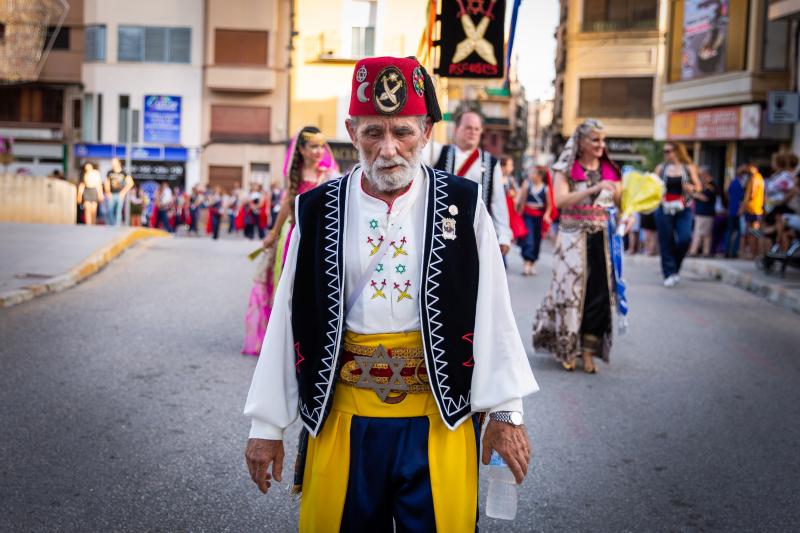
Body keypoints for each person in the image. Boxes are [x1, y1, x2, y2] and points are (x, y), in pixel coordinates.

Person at [244, 56, 538, 531]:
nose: (388, 149)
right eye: (372, 133)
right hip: (342, 421)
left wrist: (505, 411)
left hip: (441, 419)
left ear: (425, 130)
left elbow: (493, 312)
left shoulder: (464, 206)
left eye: (402, 131)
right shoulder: (316, 210)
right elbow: (289, 317)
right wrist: (267, 425)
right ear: (351, 129)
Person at [533, 119, 631, 373]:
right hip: (571, 238)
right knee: (569, 292)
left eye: (603, 140)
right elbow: (562, 201)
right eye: (595, 140)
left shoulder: (610, 169)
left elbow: (617, 204)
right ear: (581, 142)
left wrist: (627, 213)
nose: (601, 145)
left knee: (598, 294)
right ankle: (567, 347)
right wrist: (595, 188)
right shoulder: (565, 169)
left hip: (601, 239)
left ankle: (588, 351)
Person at [241, 126, 337, 357]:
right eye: (313, 146)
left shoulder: (329, 174)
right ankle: (285, 338)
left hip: (320, 238)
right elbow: (286, 204)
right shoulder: (295, 176)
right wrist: (273, 233)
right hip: (295, 236)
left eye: (321, 146)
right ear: (301, 150)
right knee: (289, 286)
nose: (318, 151)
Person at [428, 108, 512, 256]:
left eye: (476, 129)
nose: (472, 132)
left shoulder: (491, 163)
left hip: (476, 232)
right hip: (441, 231)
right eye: (468, 127)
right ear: (456, 129)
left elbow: (498, 202)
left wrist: (503, 234)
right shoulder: (438, 152)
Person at [654, 142, 701, 287]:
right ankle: (668, 273)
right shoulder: (661, 168)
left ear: (677, 151)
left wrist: (691, 188)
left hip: (683, 207)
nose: (666, 154)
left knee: (685, 238)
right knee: (666, 240)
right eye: (664, 151)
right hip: (664, 207)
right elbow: (652, 186)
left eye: (668, 151)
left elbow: (698, 187)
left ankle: (675, 267)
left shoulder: (688, 168)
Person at [516, 166, 552, 275]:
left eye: (533, 173)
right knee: (528, 238)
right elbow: (522, 201)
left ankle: (532, 262)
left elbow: (549, 205)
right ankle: (526, 263)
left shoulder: (545, 188)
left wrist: (546, 215)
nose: (531, 175)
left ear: (540, 176)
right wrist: (519, 216)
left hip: (539, 217)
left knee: (537, 239)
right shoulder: (528, 185)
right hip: (528, 215)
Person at [688, 166, 717, 257]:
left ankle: (695, 251)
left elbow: (706, 197)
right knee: (702, 233)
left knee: (700, 233)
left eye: (701, 175)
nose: (700, 177)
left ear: (706, 174)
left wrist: (695, 194)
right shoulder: (702, 184)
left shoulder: (711, 184)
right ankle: (704, 251)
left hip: (706, 213)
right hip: (700, 212)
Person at [740, 163, 764, 259]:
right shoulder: (756, 178)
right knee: (752, 232)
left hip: (753, 209)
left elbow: (751, 194)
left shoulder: (755, 178)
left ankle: (753, 253)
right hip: (753, 208)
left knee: (753, 232)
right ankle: (752, 252)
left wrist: (742, 207)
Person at [724, 165, 748, 258]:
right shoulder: (743, 183)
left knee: (730, 231)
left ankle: (727, 251)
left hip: (732, 210)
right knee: (738, 232)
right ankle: (733, 252)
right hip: (739, 211)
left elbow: (728, 195)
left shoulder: (733, 182)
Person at [104, 159, 134, 226]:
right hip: (111, 194)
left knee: (118, 211)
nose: (112, 164)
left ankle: (117, 226)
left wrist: (123, 192)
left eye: (114, 162)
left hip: (120, 195)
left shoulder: (124, 172)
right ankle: (111, 225)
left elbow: (131, 183)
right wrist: (108, 192)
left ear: (118, 163)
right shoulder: (110, 172)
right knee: (110, 210)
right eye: (112, 162)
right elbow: (107, 183)